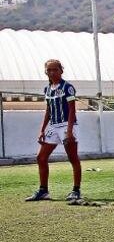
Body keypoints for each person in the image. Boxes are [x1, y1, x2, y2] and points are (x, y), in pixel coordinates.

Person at [25, 59, 84, 204]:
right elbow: (49, 110)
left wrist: (69, 131)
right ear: (46, 72)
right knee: (41, 157)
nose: (52, 72)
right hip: (53, 126)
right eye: (49, 70)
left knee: (73, 158)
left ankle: (76, 191)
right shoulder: (47, 89)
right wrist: (42, 130)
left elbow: (72, 109)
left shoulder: (67, 87)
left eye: (55, 69)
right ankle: (43, 191)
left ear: (61, 71)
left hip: (66, 125)